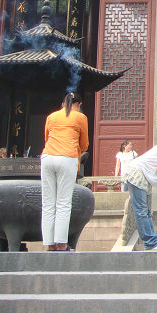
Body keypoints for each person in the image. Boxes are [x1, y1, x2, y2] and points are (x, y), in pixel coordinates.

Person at [41, 93, 89, 251]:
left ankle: (49, 244)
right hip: (67, 157)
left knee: (48, 202)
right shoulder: (80, 117)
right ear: (78, 104)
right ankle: (61, 243)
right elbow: (84, 144)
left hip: (48, 157)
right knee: (63, 202)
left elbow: (46, 137)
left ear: (63, 103)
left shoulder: (52, 116)